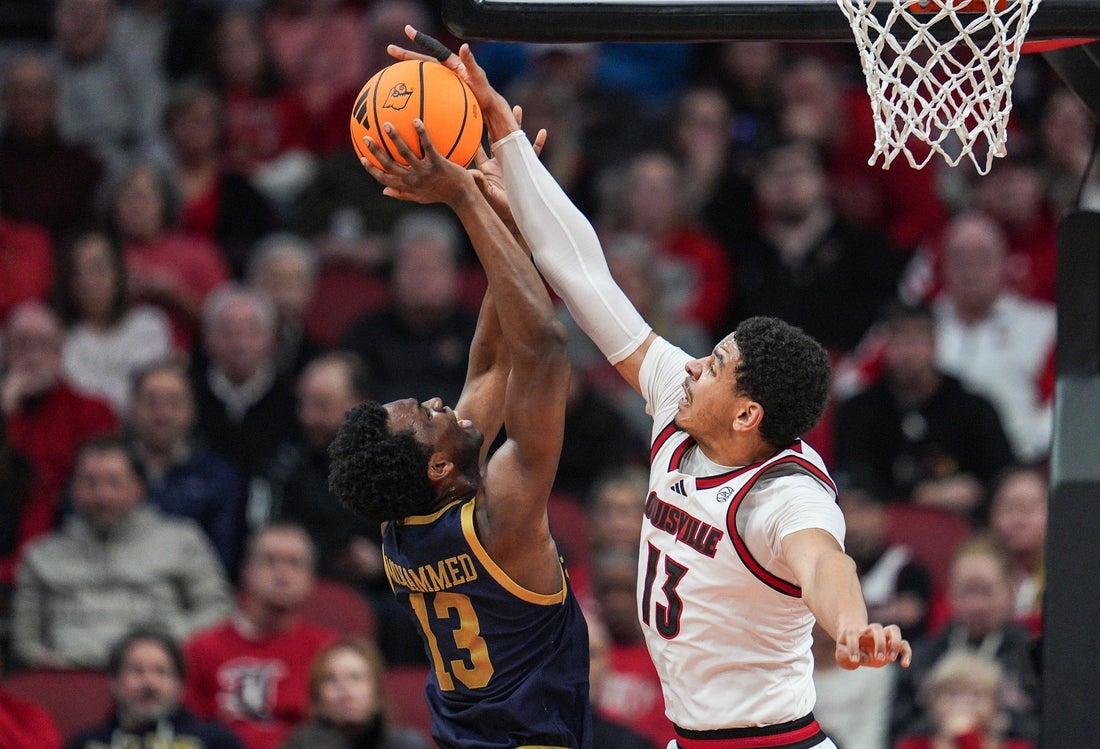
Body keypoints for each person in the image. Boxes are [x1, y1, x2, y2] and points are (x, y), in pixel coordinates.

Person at [401, 36, 911, 748]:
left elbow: (826, 562)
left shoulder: (784, 495)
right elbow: (584, 275)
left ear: (747, 414)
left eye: (716, 363)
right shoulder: (682, 400)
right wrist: (505, 135)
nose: (694, 364)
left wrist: (852, 624)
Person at [328, 115, 592, 747]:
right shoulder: (500, 517)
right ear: (440, 468)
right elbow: (543, 347)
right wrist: (465, 197)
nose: (437, 401)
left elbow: (495, 361)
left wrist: (509, 217)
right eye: (427, 416)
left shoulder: (400, 528)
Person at [11, 435, 232, 669]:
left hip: (159, 675)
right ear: (72, 489)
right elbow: (25, 639)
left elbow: (217, 611)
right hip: (69, 676)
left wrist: (171, 643)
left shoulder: (182, 540)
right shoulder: (42, 556)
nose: (102, 495)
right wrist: (44, 661)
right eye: (90, 483)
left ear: (139, 488)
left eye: (113, 482)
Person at [833, 300, 1015, 520]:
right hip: (883, 524)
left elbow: (1002, 475)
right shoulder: (858, 410)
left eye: (915, 341)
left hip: (965, 524)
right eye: (898, 341)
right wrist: (920, 494)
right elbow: (852, 478)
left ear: (935, 344)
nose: (907, 353)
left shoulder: (974, 408)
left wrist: (974, 490)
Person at [183, 524, 339, 749]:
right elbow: (185, 729)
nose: (282, 573)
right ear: (246, 571)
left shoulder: (327, 651)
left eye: (294, 563)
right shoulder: (202, 648)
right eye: (269, 561)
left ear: (311, 580)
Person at [931, 211, 1056, 464]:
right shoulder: (919, 326)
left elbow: (1064, 404)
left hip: (1018, 463)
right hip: (932, 464)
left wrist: (1019, 446)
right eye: (960, 260)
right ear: (944, 266)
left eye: (982, 259)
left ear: (1004, 263)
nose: (970, 272)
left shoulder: (1044, 327)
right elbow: (856, 383)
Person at [889, 536, 1040, 745]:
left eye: (986, 591)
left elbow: (1048, 729)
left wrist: (1000, 721)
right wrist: (942, 721)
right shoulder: (924, 655)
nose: (975, 604)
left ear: (1010, 592)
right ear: (950, 594)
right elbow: (897, 729)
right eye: (966, 591)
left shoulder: (1032, 656)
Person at [128, 357, 245, 574]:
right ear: (132, 407)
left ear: (191, 410)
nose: (162, 413)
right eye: (151, 402)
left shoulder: (217, 476)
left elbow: (222, 555)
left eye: (174, 403)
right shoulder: (107, 471)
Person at [55, 228, 172, 416]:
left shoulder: (150, 325)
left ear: (118, 272)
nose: (88, 281)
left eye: (98, 268)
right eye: (77, 272)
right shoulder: (60, 337)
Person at [67, 627, 244, 749]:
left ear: (180, 685)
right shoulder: (87, 744)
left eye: (161, 672)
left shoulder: (217, 743)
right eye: (137, 671)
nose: (149, 683)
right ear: (114, 682)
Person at [282, 638, 431, 749]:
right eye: (331, 680)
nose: (345, 690)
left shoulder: (407, 745)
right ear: (318, 697)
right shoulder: (301, 744)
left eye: (355, 677)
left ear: (377, 692)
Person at [893, 650, 1036, 749]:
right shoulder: (912, 745)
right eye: (952, 694)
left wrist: (965, 737)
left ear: (995, 704)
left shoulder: (1018, 746)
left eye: (976, 695)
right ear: (933, 702)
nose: (964, 703)